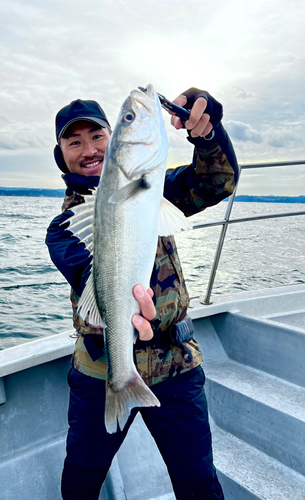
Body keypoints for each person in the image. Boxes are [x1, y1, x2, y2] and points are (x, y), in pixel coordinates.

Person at [46, 87, 239, 500]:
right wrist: (130, 309)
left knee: (198, 482)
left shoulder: (156, 189)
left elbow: (216, 181)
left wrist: (206, 134)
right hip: (101, 371)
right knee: (80, 478)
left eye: (99, 135)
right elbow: (90, 282)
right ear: (60, 153)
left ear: (114, 141)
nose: (88, 148)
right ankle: (124, 381)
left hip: (176, 365)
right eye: (73, 141)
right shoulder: (64, 227)